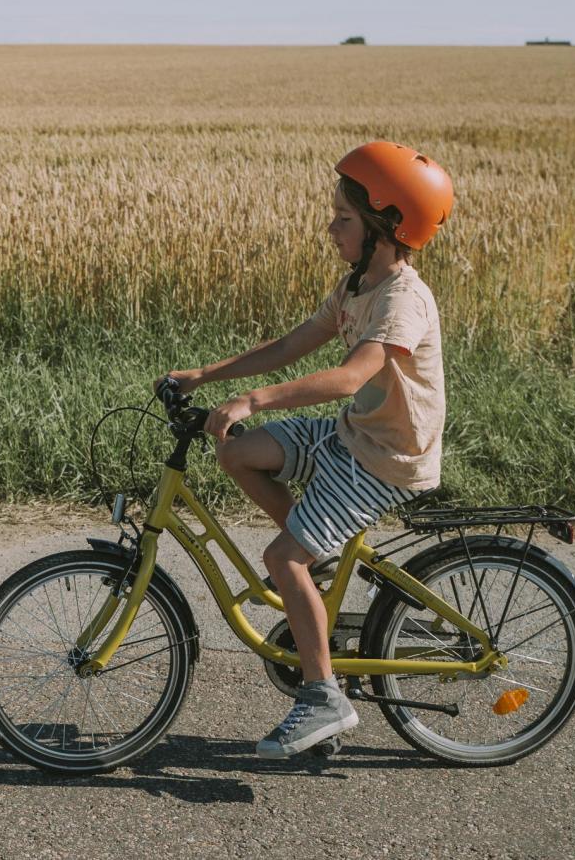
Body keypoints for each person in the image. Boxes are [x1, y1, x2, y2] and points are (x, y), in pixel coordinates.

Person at [157, 141, 453, 759]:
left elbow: (349, 376)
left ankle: (324, 697)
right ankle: (319, 570)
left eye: (343, 218)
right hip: (352, 436)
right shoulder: (356, 285)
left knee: (281, 558)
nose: (330, 227)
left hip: (386, 460)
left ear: (384, 228)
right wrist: (206, 376)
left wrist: (255, 400)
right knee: (240, 452)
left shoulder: (402, 300)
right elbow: (293, 344)